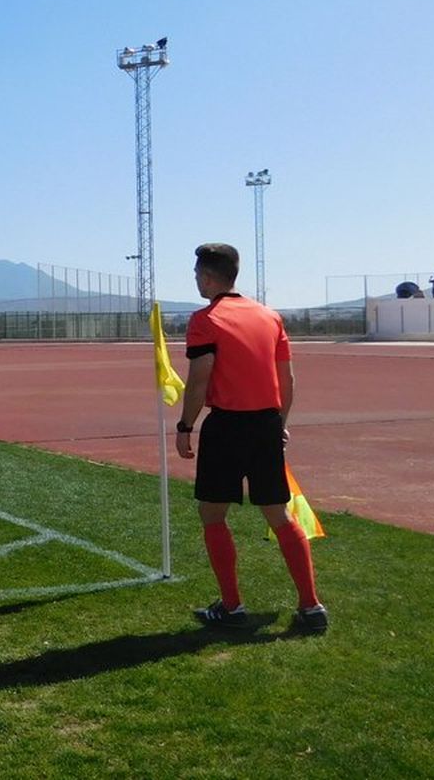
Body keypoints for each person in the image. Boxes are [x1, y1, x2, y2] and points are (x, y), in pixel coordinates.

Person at [174, 243, 327, 634]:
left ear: (209, 277)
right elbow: (286, 379)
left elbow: (199, 379)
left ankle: (231, 606)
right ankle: (311, 606)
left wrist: (185, 426)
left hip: (226, 427)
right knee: (279, 515)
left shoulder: (205, 319)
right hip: (266, 427)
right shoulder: (270, 317)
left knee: (212, 514)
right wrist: (280, 423)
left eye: (197, 274)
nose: (196, 280)